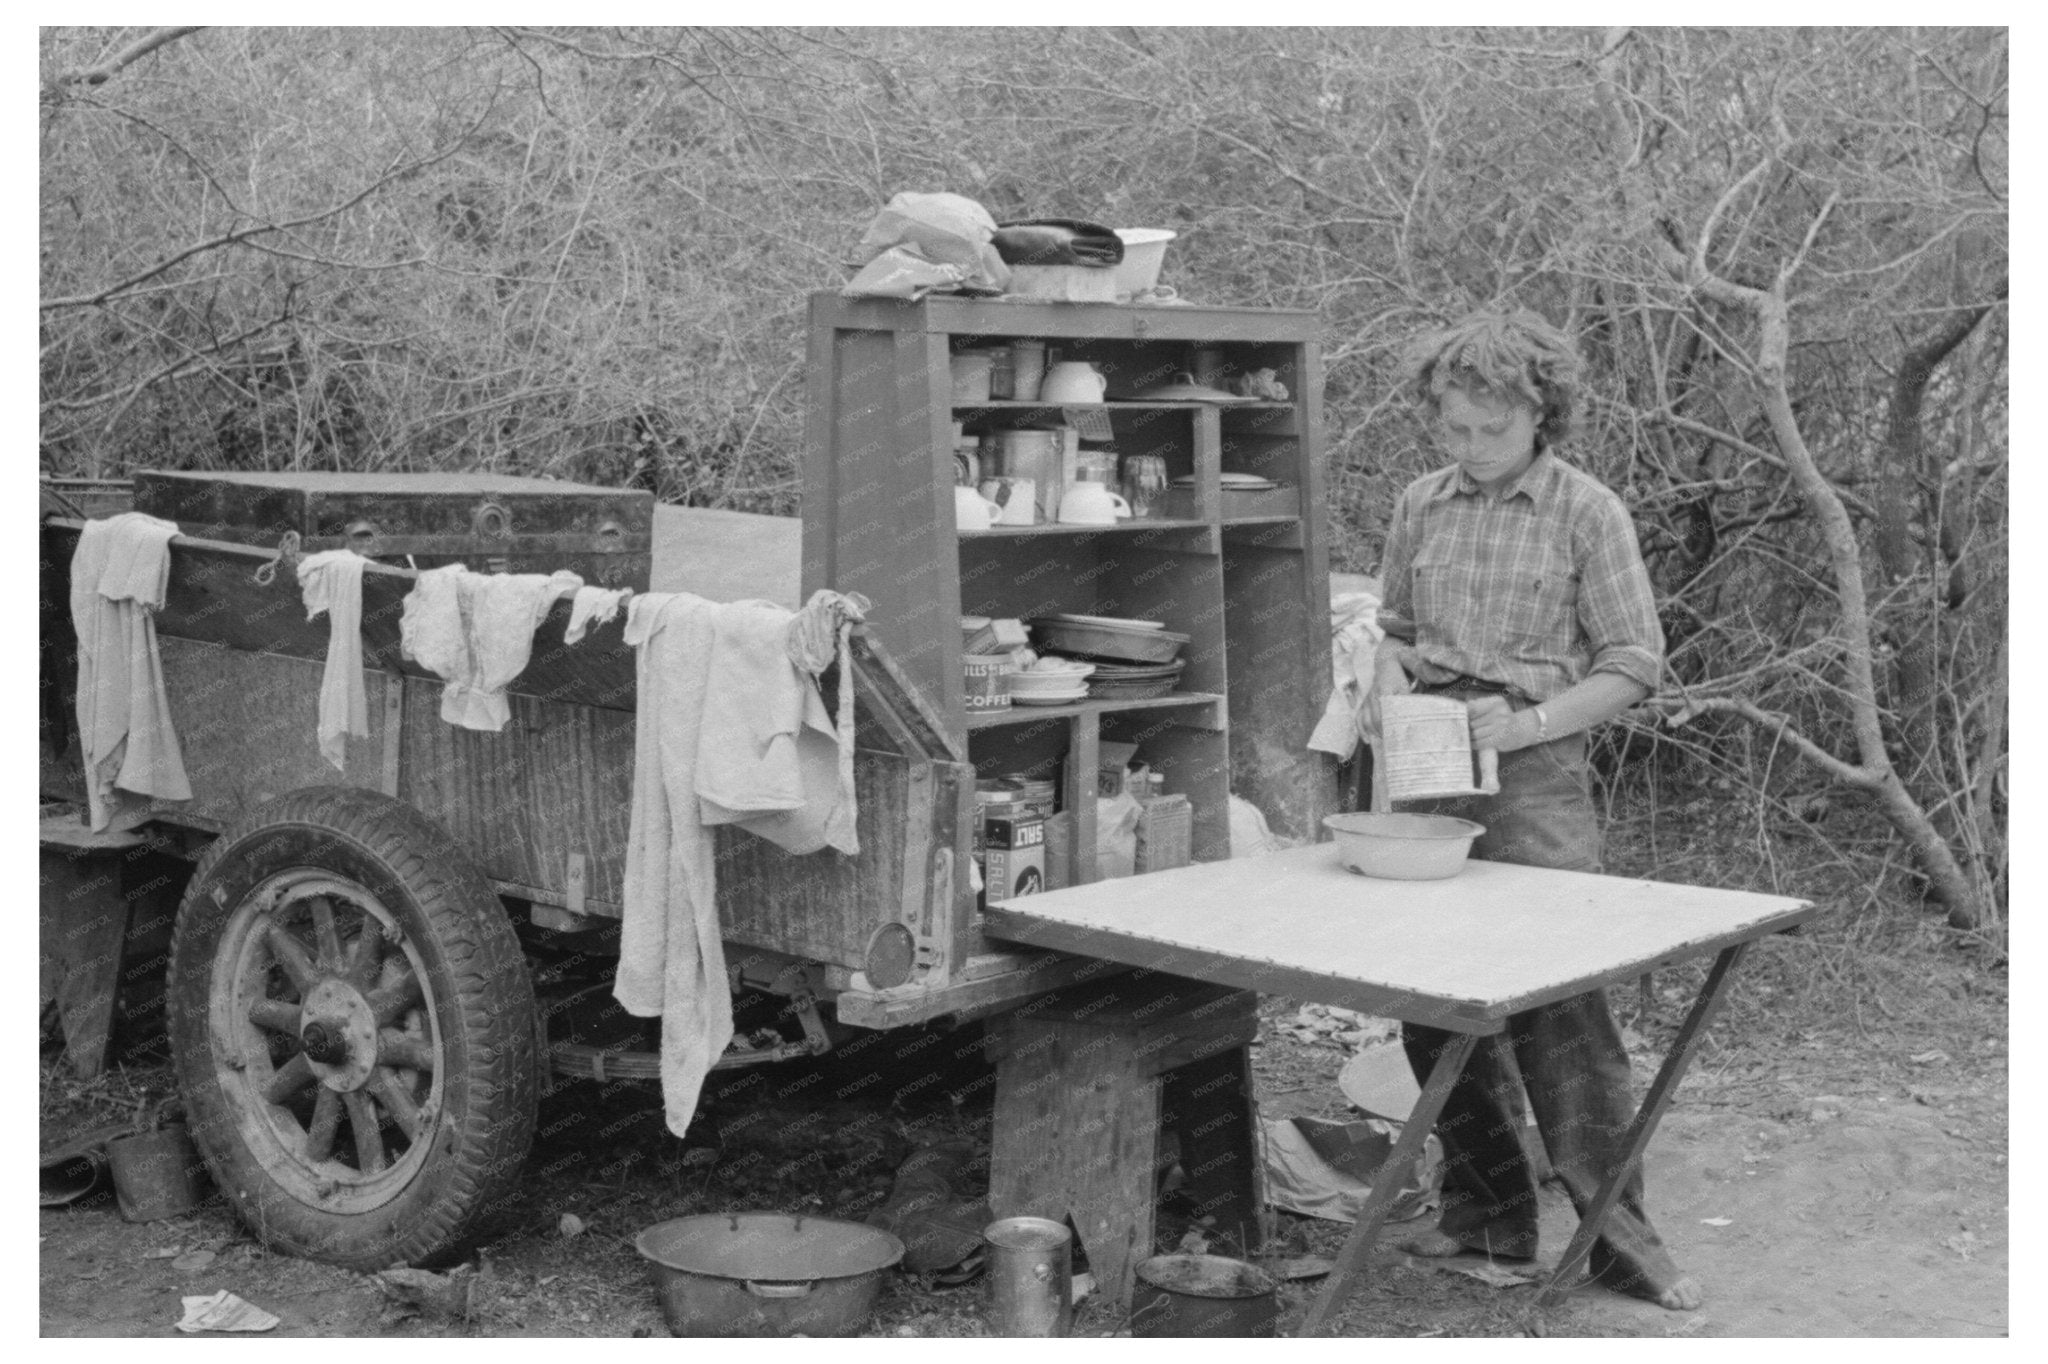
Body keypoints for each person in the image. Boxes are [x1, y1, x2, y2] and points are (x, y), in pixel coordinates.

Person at [1367, 308, 1701, 1311]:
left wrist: (1518, 728)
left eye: (1488, 432)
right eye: (1451, 430)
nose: (1466, 451)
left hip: (1534, 770)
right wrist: (1386, 675)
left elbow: (1633, 664)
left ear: (1538, 415)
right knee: (1431, 1003)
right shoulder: (1420, 503)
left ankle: (1620, 1241)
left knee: (1559, 1010)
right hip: (1428, 767)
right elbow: (1388, 625)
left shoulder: (1584, 510)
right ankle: (1486, 1217)